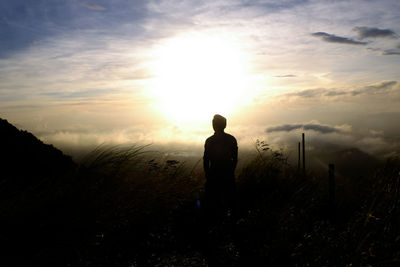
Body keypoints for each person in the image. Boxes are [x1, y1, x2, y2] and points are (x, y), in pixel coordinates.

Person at [203, 114, 238, 222]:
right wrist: (231, 171)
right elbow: (235, 159)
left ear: (214, 125)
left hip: (213, 174)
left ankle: (215, 223)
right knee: (230, 202)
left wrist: (208, 175)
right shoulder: (231, 139)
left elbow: (206, 160)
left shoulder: (209, 141)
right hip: (228, 174)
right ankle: (230, 223)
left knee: (213, 203)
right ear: (225, 125)